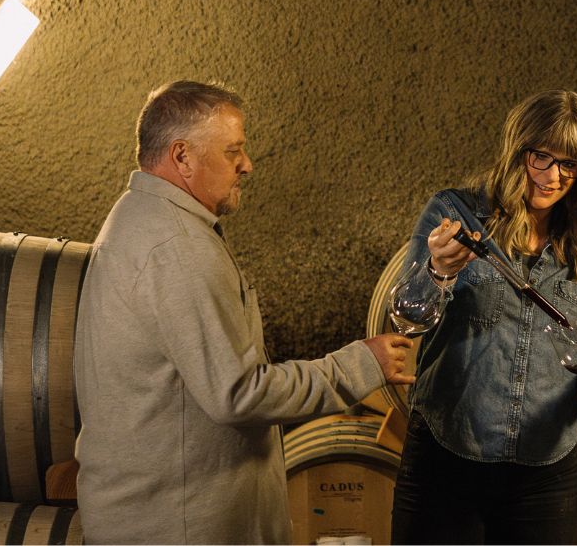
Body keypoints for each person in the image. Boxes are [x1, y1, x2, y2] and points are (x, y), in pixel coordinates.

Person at [73, 80, 415, 544]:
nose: (247, 165)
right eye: (233, 151)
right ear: (182, 157)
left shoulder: (141, 217)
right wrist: (361, 365)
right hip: (180, 527)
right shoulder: (177, 247)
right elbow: (239, 394)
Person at [389, 89, 577, 544]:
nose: (553, 177)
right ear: (517, 151)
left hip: (545, 468)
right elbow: (407, 316)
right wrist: (437, 272)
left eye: (569, 164)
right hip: (450, 453)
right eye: (541, 157)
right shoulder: (455, 213)